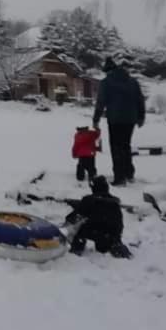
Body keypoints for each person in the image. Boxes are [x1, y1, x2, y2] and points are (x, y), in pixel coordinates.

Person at [93, 56, 145, 186]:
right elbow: (140, 100)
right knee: (126, 146)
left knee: (116, 148)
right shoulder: (133, 81)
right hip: (130, 120)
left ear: (107, 71)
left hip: (115, 119)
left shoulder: (106, 83)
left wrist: (96, 119)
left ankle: (120, 178)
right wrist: (141, 117)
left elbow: (100, 103)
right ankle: (129, 174)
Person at [64, 176, 131, 258]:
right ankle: (115, 245)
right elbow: (119, 223)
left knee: (79, 228)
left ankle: (77, 249)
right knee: (103, 248)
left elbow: (73, 217)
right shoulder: (114, 202)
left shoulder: (89, 200)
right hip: (111, 235)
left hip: (95, 232)